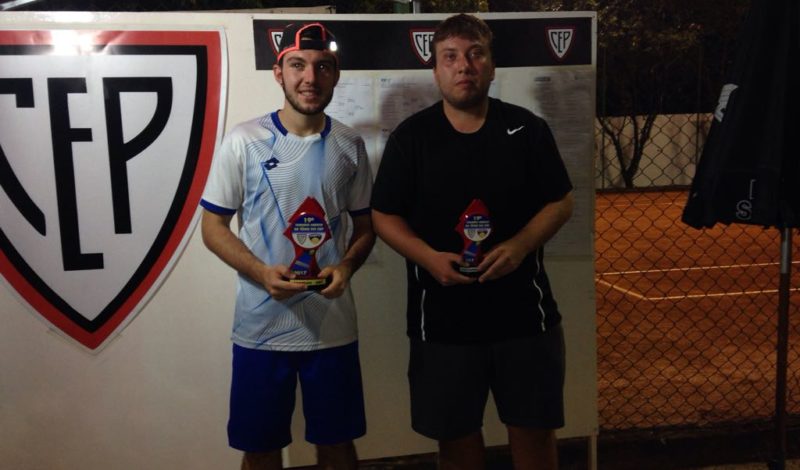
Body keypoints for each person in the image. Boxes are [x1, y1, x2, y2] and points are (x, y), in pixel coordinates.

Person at [370, 13, 574, 470]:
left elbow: (561, 202)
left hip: (525, 316)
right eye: (450, 57)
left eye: (475, 54)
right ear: (436, 70)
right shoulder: (411, 138)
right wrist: (428, 258)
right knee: (457, 441)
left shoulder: (527, 129)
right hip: (443, 323)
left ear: (491, 65)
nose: (464, 65)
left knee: (535, 433)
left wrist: (520, 245)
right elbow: (384, 214)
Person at [200, 22, 374, 470]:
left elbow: (366, 228)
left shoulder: (350, 144)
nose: (310, 78)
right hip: (261, 328)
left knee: (337, 447)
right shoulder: (243, 141)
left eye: (322, 66)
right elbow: (213, 227)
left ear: (335, 74)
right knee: (260, 450)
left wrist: (346, 267)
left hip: (331, 328)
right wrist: (261, 273)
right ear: (279, 72)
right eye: (298, 65)